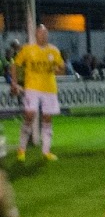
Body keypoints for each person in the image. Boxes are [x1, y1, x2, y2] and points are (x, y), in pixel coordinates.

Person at [11, 24, 68, 162]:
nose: (43, 36)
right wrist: (14, 82)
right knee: (30, 115)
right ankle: (22, 149)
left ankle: (46, 151)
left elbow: (62, 69)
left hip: (49, 89)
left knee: (47, 118)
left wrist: (57, 70)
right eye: (41, 33)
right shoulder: (28, 49)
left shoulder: (53, 51)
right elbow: (15, 64)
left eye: (45, 33)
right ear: (36, 35)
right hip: (32, 88)